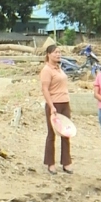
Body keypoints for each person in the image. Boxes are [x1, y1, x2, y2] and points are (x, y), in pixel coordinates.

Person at [40, 43, 72, 174]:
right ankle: (50, 163)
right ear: (48, 54)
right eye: (55, 52)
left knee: (66, 133)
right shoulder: (46, 70)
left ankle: (66, 162)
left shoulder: (59, 68)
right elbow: (45, 89)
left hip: (65, 103)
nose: (58, 54)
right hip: (54, 104)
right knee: (52, 134)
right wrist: (52, 106)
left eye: (59, 52)